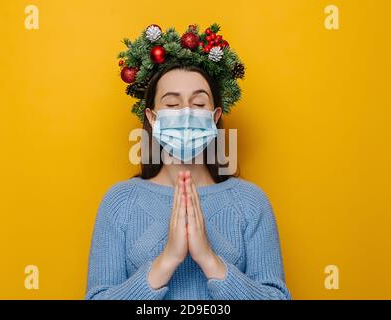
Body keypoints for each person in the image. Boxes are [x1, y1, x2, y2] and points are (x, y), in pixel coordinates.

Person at [85, 23, 291, 300]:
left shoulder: (251, 202)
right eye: (171, 104)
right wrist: (167, 260)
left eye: (198, 103)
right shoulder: (119, 202)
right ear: (153, 118)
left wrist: (209, 259)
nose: (185, 113)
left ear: (215, 116)